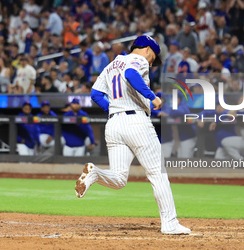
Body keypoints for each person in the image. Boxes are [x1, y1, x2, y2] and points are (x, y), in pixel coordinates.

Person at [79, 35, 191, 235]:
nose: (151, 62)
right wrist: (153, 97)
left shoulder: (113, 63)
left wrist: (114, 109)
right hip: (136, 122)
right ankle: (170, 223)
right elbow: (131, 74)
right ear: (147, 49)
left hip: (114, 123)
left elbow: (95, 94)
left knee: (119, 179)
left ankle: (95, 173)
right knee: (158, 174)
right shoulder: (137, 60)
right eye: (153, 57)